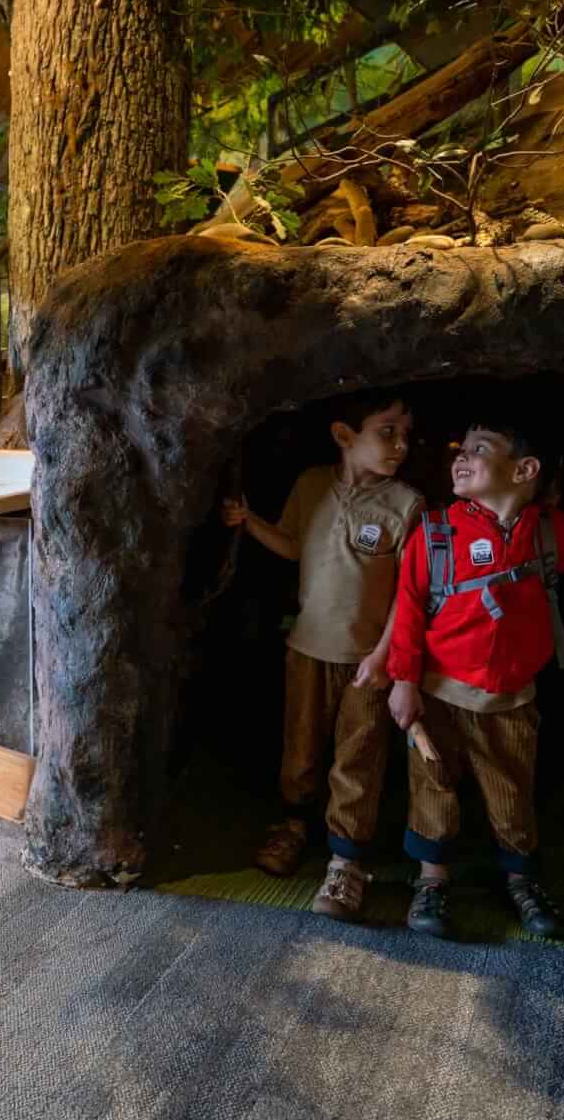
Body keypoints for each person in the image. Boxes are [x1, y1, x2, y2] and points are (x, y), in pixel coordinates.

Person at [384, 414, 564, 940]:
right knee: (434, 786)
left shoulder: (547, 532)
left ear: (524, 469)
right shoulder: (437, 531)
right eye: (460, 449)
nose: (461, 458)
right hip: (440, 693)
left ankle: (521, 880)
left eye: (479, 448)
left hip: (512, 699)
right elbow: (408, 608)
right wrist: (403, 680)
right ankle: (432, 881)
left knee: (511, 789)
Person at [221, 391, 422, 922]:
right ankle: (292, 826)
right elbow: (293, 545)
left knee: (358, 754)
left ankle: (347, 861)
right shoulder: (311, 486)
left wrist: (384, 658)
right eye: (387, 431)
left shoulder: (407, 504)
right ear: (343, 436)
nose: (400, 444)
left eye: (406, 433)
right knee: (301, 744)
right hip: (307, 646)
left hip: (367, 661)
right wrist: (249, 522)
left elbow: (411, 593)